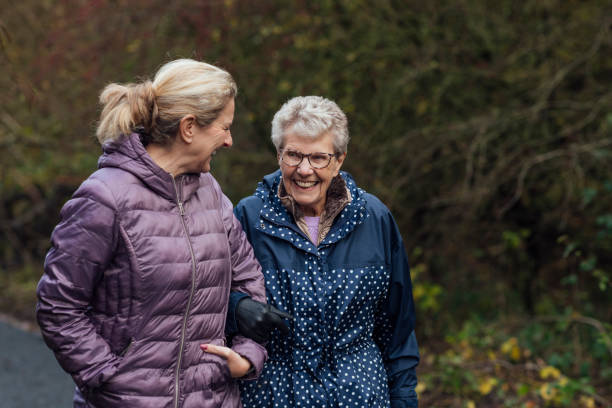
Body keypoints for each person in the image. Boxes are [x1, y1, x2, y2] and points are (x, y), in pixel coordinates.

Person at [36, 58, 268, 408]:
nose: (230, 141)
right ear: (189, 128)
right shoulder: (104, 197)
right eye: (224, 128)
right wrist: (107, 378)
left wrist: (247, 355)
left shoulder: (212, 194)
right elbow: (58, 305)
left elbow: (248, 282)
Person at [231, 96, 420, 407]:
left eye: (319, 157)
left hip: (360, 396)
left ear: (339, 160)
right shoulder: (248, 217)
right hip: (273, 395)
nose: (305, 170)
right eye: (293, 155)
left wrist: (403, 399)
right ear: (279, 154)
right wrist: (236, 307)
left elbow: (397, 328)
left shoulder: (376, 218)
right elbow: (207, 300)